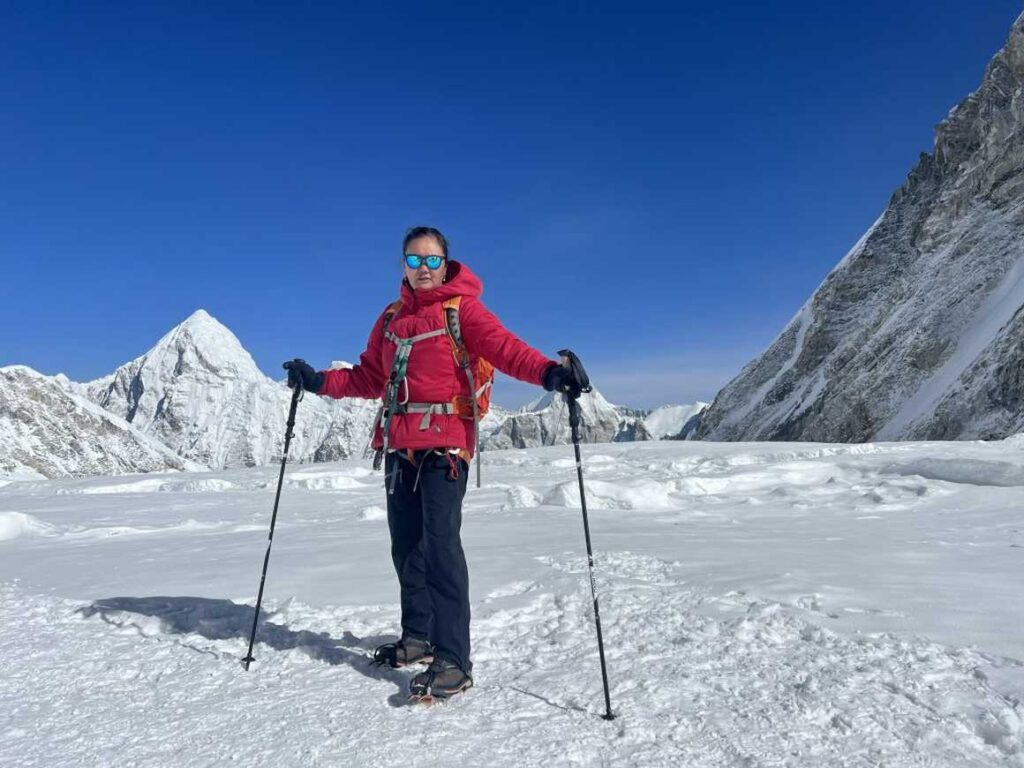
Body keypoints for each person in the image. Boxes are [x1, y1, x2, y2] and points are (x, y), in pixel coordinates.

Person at [284, 226, 577, 701]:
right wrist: (318, 381)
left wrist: (549, 373)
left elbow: (506, 349)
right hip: (399, 445)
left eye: (431, 260)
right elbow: (369, 377)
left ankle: (454, 659)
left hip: (447, 447)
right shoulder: (391, 318)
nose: (423, 268)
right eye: (414, 260)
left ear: (446, 264)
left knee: (441, 548)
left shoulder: (463, 310)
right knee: (407, 548)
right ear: (403, 265)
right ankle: (418, 637)